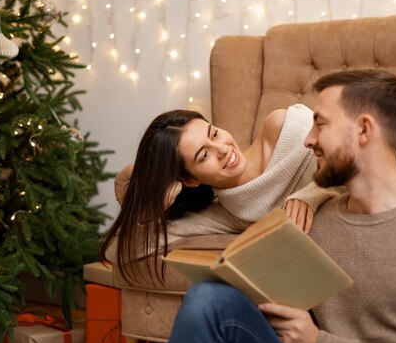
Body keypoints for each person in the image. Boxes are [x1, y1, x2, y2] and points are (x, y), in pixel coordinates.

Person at [151, 69, 396, 343]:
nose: (306, 139)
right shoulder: (310, 225)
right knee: (209, 298)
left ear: (363, 130)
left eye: (319, 125)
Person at [101, 104, 339, 282]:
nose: (223, 149)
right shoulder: (227, 212)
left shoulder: (283, 125)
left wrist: (313, 193)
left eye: (214, 134)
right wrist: (155, 202)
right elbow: (116, 249)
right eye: (203, 155)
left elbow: (360, 162)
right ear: (190, 180)